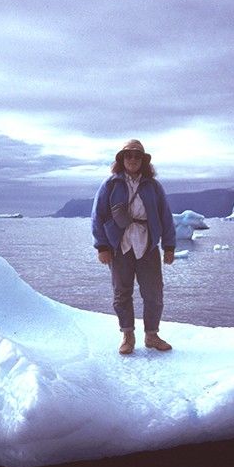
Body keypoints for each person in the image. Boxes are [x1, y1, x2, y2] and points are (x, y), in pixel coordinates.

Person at [91, 139, 176, 354]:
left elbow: (165, 216)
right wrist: (102, 246)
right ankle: (127, 336)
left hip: (147, 244)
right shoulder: (110, 184)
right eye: (128, 155)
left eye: (137, 156)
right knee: (122, 293)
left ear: (143, 160)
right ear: (121, 159)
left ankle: (152, 335)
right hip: (120, 246)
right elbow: (98, 215)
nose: (133, 159)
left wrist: (169, 246)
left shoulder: (153, 186)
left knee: (154, 293)